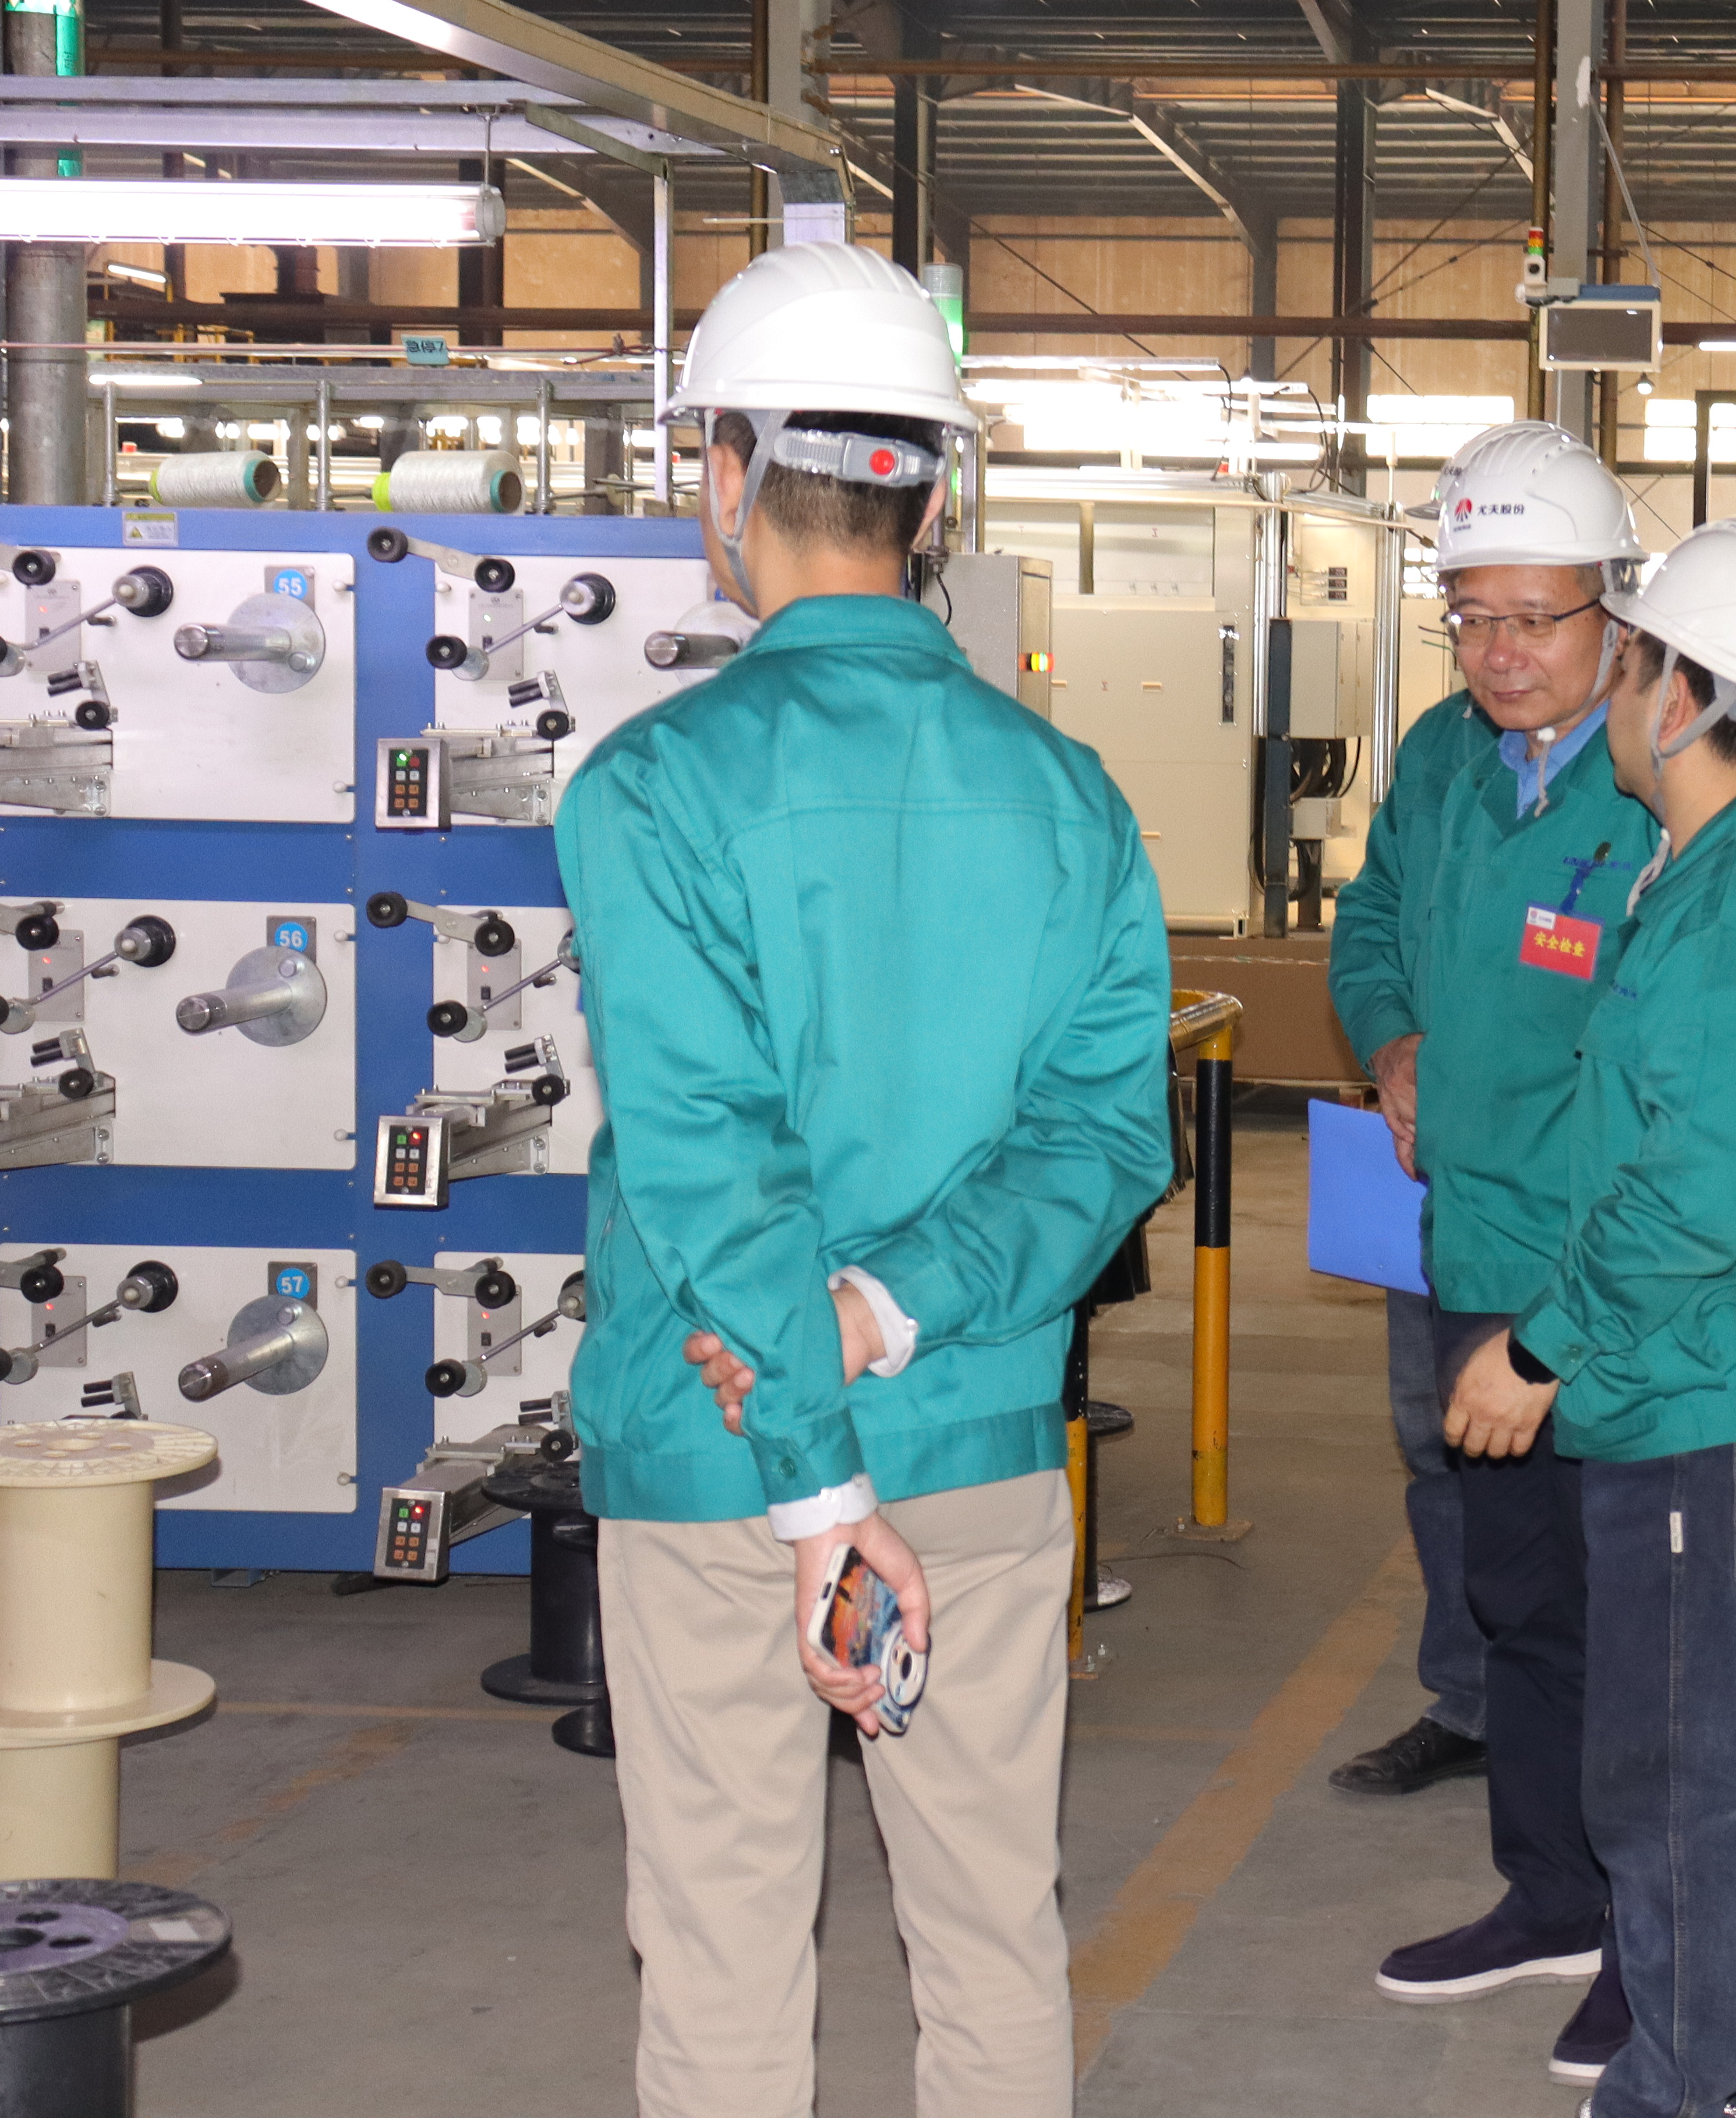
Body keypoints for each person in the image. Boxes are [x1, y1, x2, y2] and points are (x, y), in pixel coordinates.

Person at [560, 241, 1172, 2118]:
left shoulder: (652, 787)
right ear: (936, 497)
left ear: (725, 471)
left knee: (727, 1951)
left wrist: (820, 1476)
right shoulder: (1070, 795)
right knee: (991, 1932)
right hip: (973, 1441)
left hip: (720, 1456)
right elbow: (1103, 1140)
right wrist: (890, 1308)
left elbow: (708, 1151)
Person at [1442, 515, 1736, 2118]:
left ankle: (1686, 2085)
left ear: (1688, 695)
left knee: (1677, 1783)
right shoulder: (1724, 874)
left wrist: (1538, 1347)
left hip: (1711, 1409)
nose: (1612, 685)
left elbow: (1694, 1199)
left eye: (1632, 655)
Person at [1330, 422, 1655, 2087]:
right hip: (1476, 1246)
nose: (1500, 651)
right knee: (1518, 1596)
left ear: (1617, 611)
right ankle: (1552, 1896)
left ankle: (1653, 1945)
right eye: (1471, 615)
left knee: (1638, 1622)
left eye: (1535, 616)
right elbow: (1373, 917)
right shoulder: (1450, 753)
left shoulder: (1666, 774)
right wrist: (1392, 1039)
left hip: (1618, 1275)